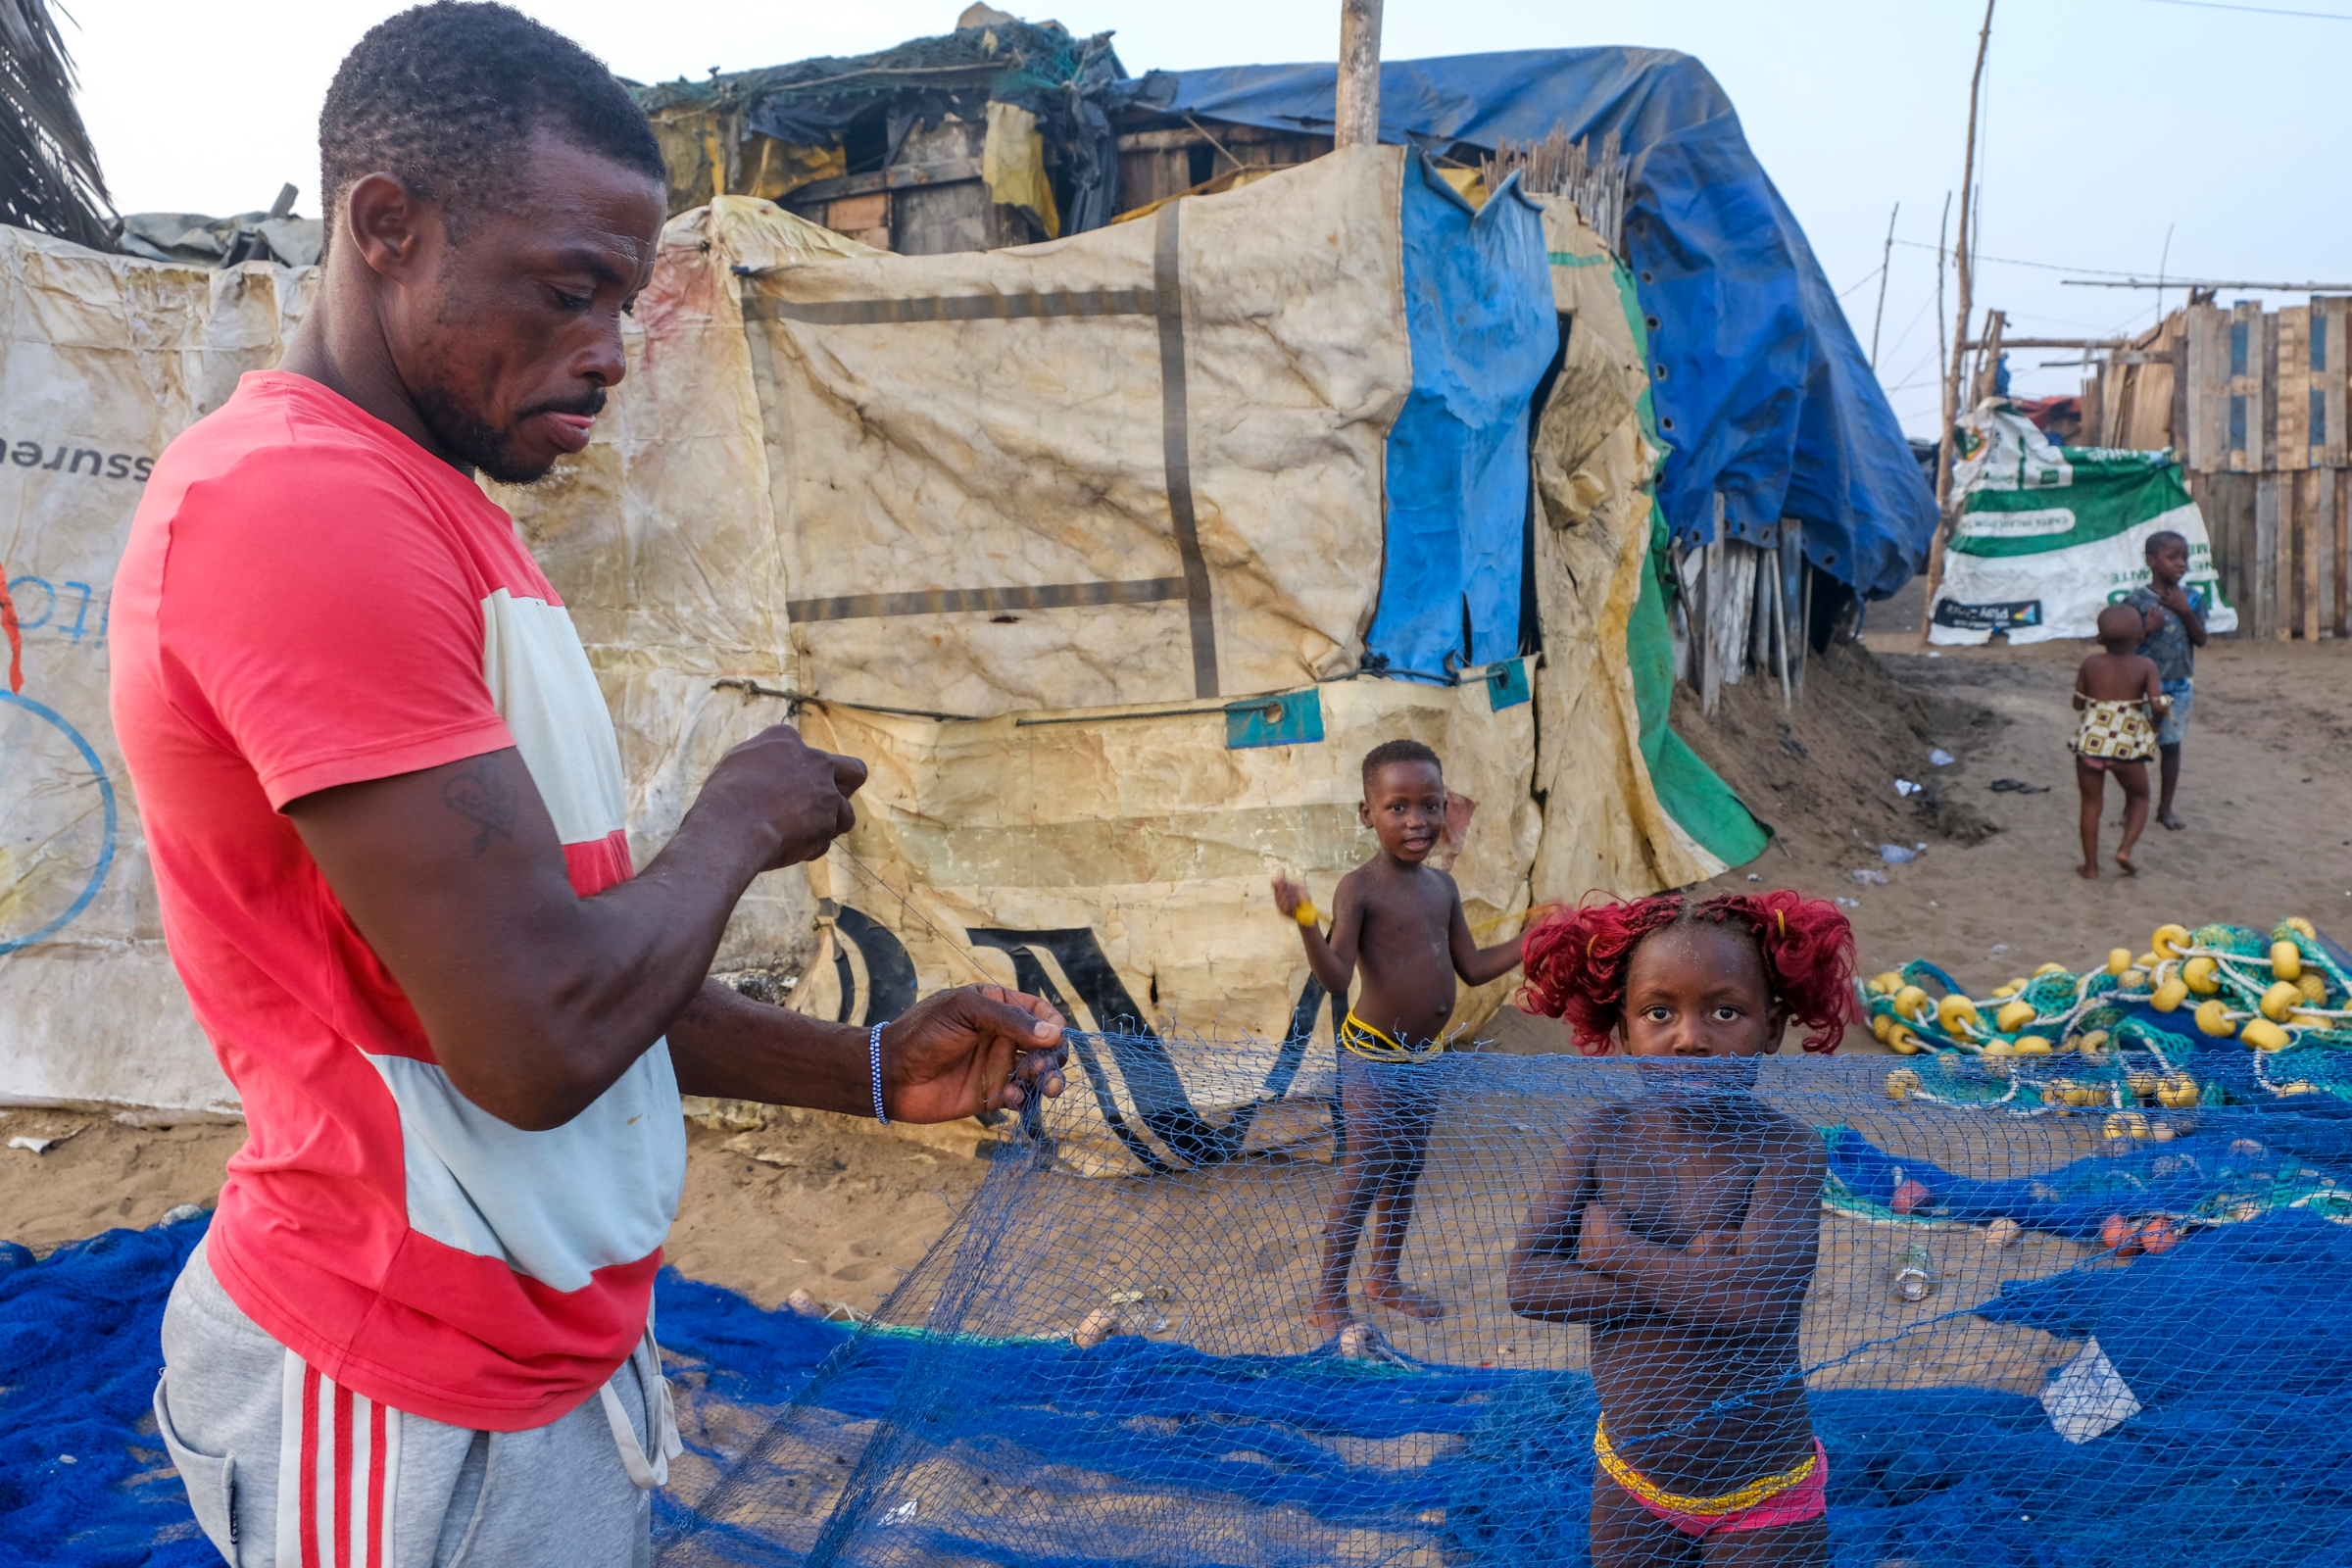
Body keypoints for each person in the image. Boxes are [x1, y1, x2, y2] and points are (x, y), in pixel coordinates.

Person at [108, 8, 1067, 1565]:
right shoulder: (299, 509)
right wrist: (739, 828)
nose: (613, 350)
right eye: (571, 290)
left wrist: (875, 1071)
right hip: (399, 1373)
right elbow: (537, 1037)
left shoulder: (441, 508)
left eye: (626, 299)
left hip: (523, 1351)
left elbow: (553, 964)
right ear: (385, 228)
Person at [1507, 891, 1854, 1568]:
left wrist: (1615, 1252)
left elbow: (1758, 1307)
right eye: (1659, 1012)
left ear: (1773, 1027)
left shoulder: (1786, 1150)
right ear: (1623, 1026)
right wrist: (1699, 1277)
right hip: (1632, 1483)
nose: (1691, 1037)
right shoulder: (1602, 1135)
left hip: (1762, 1494)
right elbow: (1527, 1284)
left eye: (1725, 1012)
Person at [1270, 738, 1528, 1338]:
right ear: (1368, 814)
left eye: (1431, 805)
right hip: (1372, 1057)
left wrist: (1535, 941)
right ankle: (1327, 1297)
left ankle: (1382, 1279)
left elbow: (1471, 967)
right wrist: (1306, 921)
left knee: (1405, 1167)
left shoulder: (1443, 889)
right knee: (1364, 1171)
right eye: (1398, 807)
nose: (1418, 820)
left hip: (1424, 1058)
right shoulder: (1359, 889)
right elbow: (1336, 976)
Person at [2071, 603, 2171, 879]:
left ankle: (2090, 867)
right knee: (2140, 797)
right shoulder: (2146, 665)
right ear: (2141, 636)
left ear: (2099, 638)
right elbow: (2158, 704)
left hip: (2091, 744)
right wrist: (2154, 726)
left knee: (2091, 805)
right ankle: (2124, 850)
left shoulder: (2090, 664)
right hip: (2126, 747)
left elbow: (2078, 705)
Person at [2122, 530, 2208, 831]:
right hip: (2139, 687)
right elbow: (2123, 646)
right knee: (2135, 749)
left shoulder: (2194, 599)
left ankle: (2165, 808)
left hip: (2178, 686)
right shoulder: (2136, 600)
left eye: (2185, 557)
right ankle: (2131, 806)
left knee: (2170, 747)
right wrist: (2146, 628)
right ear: (2151, 560)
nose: (2181, 564)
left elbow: (2201, 639)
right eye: (2173, 557)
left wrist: (2185, 612)